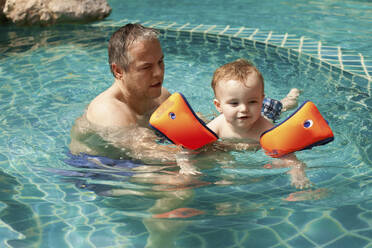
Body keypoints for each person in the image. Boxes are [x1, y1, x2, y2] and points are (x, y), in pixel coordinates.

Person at [206, 58, 310, 189]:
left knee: (283, 106)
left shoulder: (266, 129)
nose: (244, 108)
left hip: (268, 112)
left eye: (252, 102)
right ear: (218, 105)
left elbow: (290, 157)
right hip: (255, 111)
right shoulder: (217, 125)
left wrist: (297, 173)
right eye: (234, 103)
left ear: (261, 100)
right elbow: (193, 146)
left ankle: (292, 95)